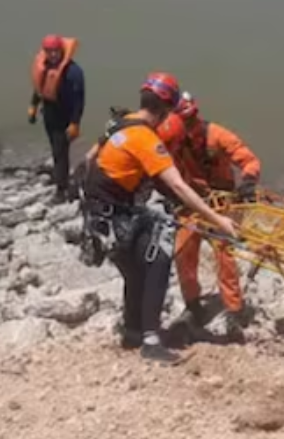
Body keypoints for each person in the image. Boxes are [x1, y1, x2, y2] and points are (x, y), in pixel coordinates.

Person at [80, 72, 239, 365]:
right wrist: (219, 220)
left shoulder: (120, 123)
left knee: (138, 267)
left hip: (99, 216)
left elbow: (89, 160)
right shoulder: (145, 138)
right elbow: (178, 185)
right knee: (159, 251)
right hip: (115, 218)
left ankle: (133, 331)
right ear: (167, 110)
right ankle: (151, 340)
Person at [156, 91, 262, 340]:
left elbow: (250, 161)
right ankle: (193, 306)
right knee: (183, 253)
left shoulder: (217, 136)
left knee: (225, 255)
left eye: (192, 119)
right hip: (191, 202)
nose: (189, 125)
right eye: (185, 120)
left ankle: (234, 310)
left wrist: (247, 182)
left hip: (222, 204)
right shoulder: (171, 140)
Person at [27, 35, 85, 203]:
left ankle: (62, 190)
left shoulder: (73, 72)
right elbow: (39, 88)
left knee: (61, 152)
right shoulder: (43, 66)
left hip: (65, 116)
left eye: (56, 51)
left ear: (62, 51)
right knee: (55, 148)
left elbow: (79, 100)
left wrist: (75, 122)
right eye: (49, 52)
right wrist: (33, 106)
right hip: (50, 113)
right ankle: (61, 177)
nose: (53, 55)